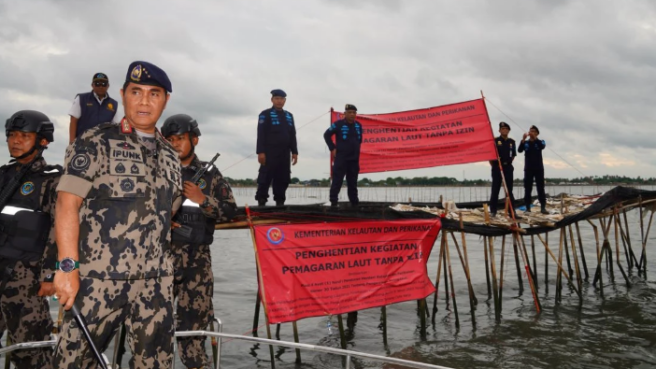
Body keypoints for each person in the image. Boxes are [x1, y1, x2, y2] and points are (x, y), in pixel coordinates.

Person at [53, 61, 182, 369]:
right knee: (74, 362)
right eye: (136, 92)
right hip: (98, 282)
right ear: (123, 95)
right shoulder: (96, 140)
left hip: (156, 285)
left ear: (166, 100)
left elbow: (169, 211)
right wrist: (67, 267)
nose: (144, 101)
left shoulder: (170, 154)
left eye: (154, 94)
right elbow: (66, 204)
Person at [161, 114, 237, 368]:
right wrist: (161, 220)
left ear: (194, 139)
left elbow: (230, 211)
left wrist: (203, 198)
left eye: (180, 139)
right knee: (153, 332)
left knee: (193, 336)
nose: (175, 144)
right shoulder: (156, 171)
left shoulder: (211, 174)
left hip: (197, 265)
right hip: (159, 263)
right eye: (170, 139)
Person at [0, 110, 61, 368]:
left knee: (30, 348)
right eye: (12, 135)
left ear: (42, 141)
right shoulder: (3, 175)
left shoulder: (52, 179)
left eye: (24, 136)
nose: (15, 141)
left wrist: (49, 276)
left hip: (26, 277)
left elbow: (58, 229)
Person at [255, 89, 298, 206]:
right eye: (277, 99)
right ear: (272, 100)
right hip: (269, 152)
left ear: (285, 101)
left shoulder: (289, 116)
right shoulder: (265, 114)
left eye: (281, 99)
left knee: (283, 178)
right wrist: (260, 152)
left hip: (285, 153)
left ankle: (280, 201)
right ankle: (261, 200)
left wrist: (295, 152)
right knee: (265, 177)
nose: (279, 101)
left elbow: (292, 135)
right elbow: (261, 134)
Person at [324, 104, 362, 207]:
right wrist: (332, 148)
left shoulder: (359, 125)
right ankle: (333, 202)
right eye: (349, 112)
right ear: (345, 113)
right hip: (341, 158)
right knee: (337, 181)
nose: (352, 114)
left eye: (354, 113)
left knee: (353, 183)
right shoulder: (338, 124)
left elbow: (359, 140)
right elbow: (326, 135)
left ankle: (354, 204)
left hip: (354, 160)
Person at [68, 72, 122, 143]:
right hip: (82, 144)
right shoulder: (81, 99)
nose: (100, 86)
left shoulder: (114, 104)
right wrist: (71, 143)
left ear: (108, 86)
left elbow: (115, 127)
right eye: (97, 83)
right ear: (92, 85)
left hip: (103, 146)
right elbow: (73, 121)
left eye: (103, 84)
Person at [488, 121, 517, 217]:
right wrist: (495, 165)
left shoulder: (512, 142)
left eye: (506, 129)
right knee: (495, 189)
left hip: (508, 167)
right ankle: (493, 211)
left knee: (509, 191)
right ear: (499, 130)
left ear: (509, 130)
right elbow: (490, 157)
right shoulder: (495, 141)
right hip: (497, 167)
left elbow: (513, 156)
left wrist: (507, 163)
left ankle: (512, 211)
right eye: (502, 129)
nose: (504, 130)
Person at [518, 125, 548, 214]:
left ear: (537, 133)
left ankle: (543, 207)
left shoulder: (541, 142)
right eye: (530, 131)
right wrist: (523, 139)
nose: (531, 132)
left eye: (534, 131)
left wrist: (535, 138)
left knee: (540, 188)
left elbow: (542, 146)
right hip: (528, 169)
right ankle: (527, 207)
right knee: (527, 188)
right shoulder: (525, 143)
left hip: (539, 168)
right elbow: (519, 150)